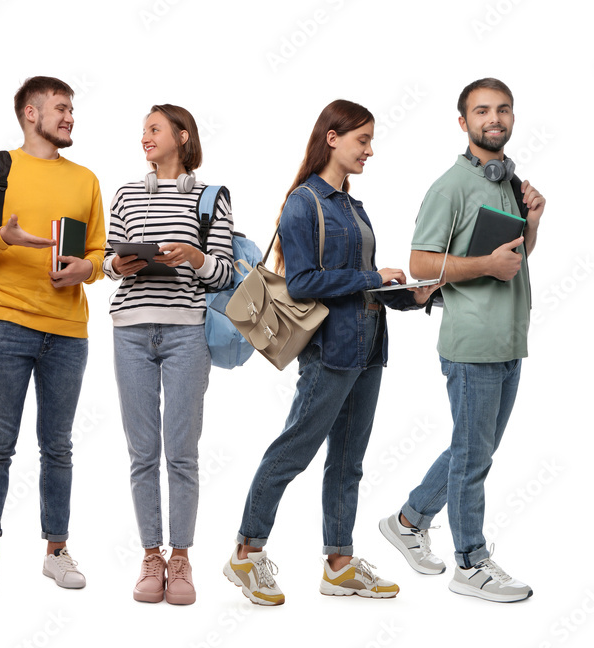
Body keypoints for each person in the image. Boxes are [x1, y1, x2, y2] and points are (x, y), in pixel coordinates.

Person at [223, 100, 440, 605]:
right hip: (328, 351)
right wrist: (373, 275)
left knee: (349, 461)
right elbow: (300, 284)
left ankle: (339, 564)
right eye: (362, 140)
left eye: (370, 140)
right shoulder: (305, 202)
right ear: (332, 138)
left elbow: (365, 288)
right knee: (293, 451)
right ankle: (245, 553)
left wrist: (413, 295)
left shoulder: (352, 206)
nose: (370, 150)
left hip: (369, 350)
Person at [378, 78, 544, 603]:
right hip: (472, 342)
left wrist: (533, 223)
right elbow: (422, 264)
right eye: (482, 111)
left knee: (475, 447)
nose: (494, 119)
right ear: (463, 122)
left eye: (503, 110)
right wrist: (486, 266)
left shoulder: (508, 184)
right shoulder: (450, 185)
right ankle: (469, 561)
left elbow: (514, 261)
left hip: (509, 338)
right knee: (475, 456)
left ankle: (408, 520)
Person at [0, 76, 106, 598]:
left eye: (71, 109)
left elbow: (102, 255)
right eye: (61, 109)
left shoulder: (85, 179)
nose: (70, 118)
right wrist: (3, 237)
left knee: (57, 447)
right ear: (30, 113)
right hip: (8, 325)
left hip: (67, 330)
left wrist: (86, 268)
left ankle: (56, 551)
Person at [104, 104, 233, 605]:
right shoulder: (126, 194)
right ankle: (150, 554)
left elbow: (223, 274)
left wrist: (195, 256)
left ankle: (181, 557)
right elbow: (109, 265)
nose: (145, 138)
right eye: (141, 131)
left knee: (181, 452)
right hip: (131, 330)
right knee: (142, 453)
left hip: (186, 332)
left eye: (154, 129)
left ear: (182, 135)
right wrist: (119, 262)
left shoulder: (209, 197)